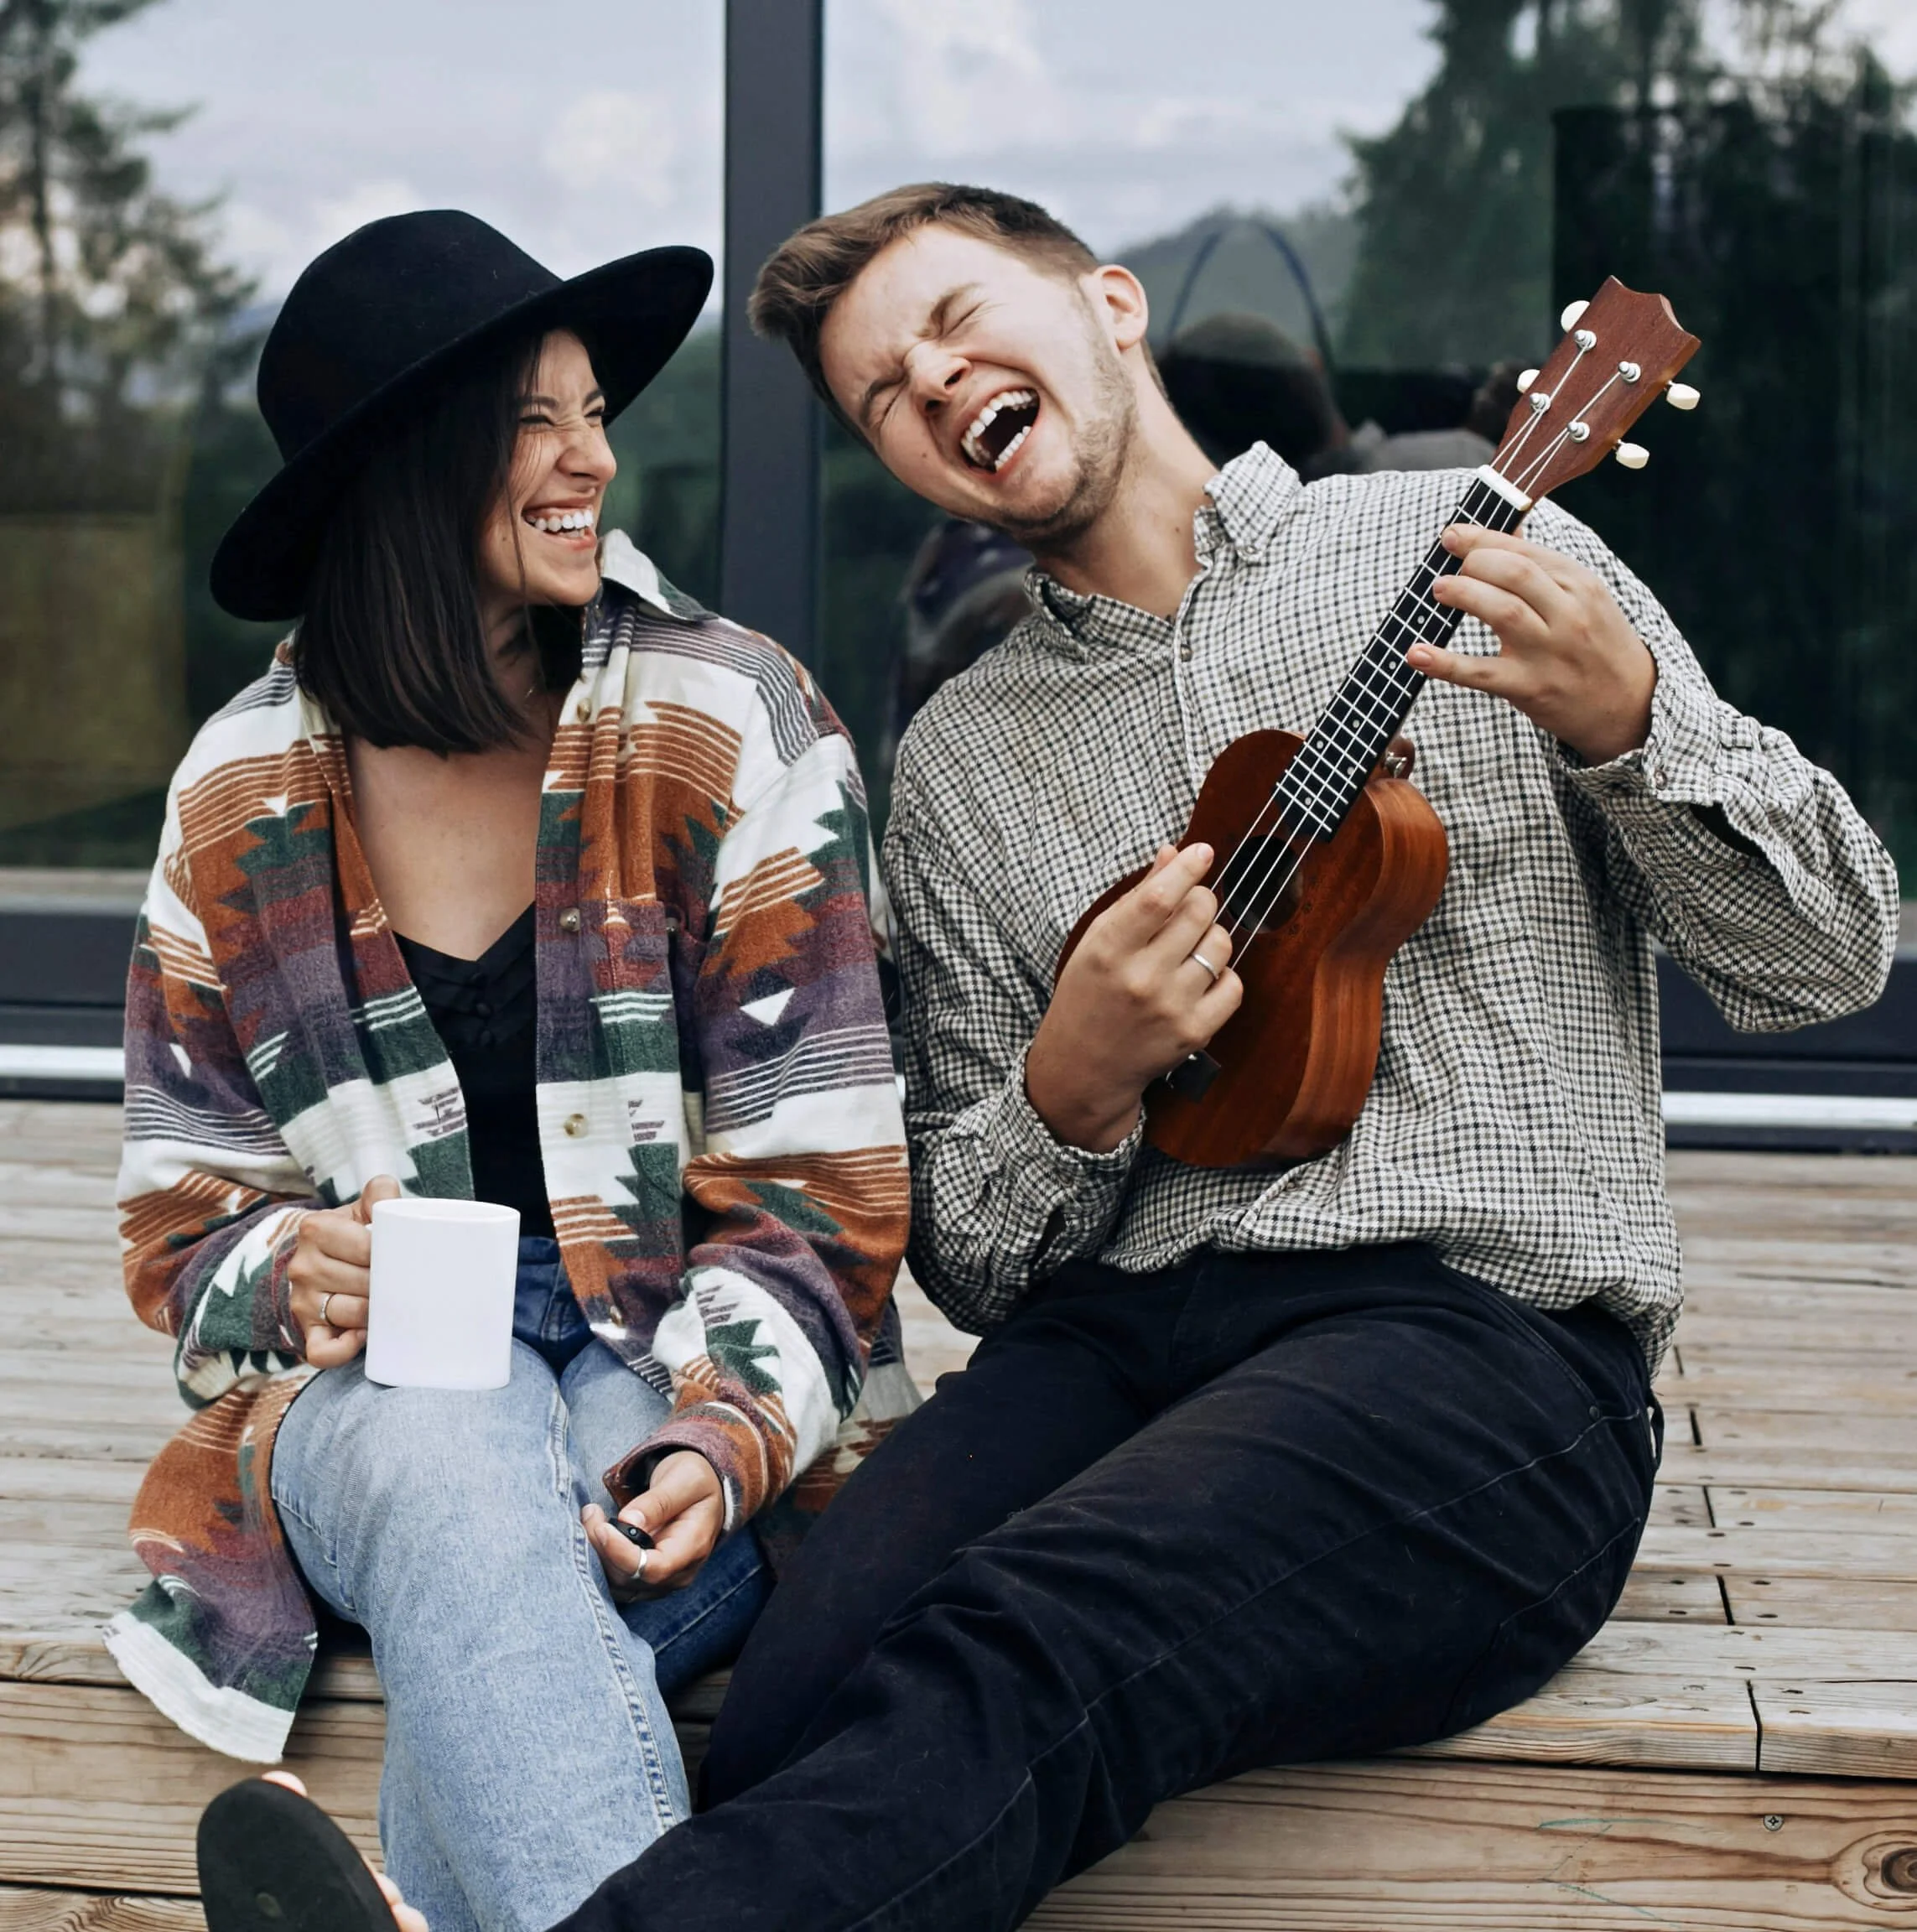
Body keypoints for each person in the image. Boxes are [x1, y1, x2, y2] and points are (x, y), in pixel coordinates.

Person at [213, 179, 1899, 1932]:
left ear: (1108, 306)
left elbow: (1828, 957)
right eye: (882, 396)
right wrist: (1068, 1087)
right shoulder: (959, 760)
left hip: (1476, 1349)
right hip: (1117, 1347)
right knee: (802, 1683)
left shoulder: (1475, 558)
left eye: (951, 324)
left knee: (1037, 1629)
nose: (929, 386)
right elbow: (974, 1256)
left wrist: (1631, 728)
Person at [119, 210, 913, 1932]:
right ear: (405, 473)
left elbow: (821, 1204)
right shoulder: (235, 796)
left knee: (534, 1556)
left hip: (682, 1339)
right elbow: (183, 1234)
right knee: (452, 1441)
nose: (594, 458)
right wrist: (291, 1269)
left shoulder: (731, 724)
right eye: (533, 419)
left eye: (594, 411)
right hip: (378, 1405)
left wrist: (719, 1441)